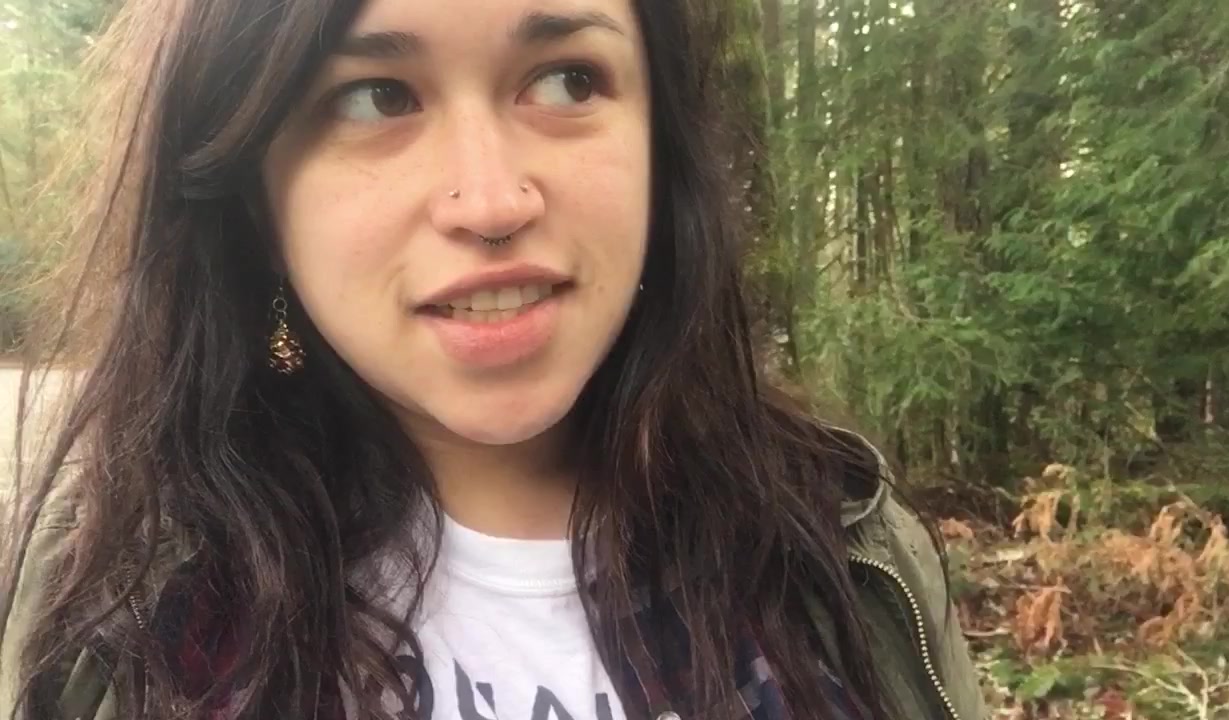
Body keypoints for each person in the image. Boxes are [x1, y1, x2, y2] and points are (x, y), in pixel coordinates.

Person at [0, 0, 985, 717]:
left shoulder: (844, 547)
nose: (491, 201)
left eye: (566, 80)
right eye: (377, 96)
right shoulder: (121, 594)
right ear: (255, 194)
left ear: (662, 144)